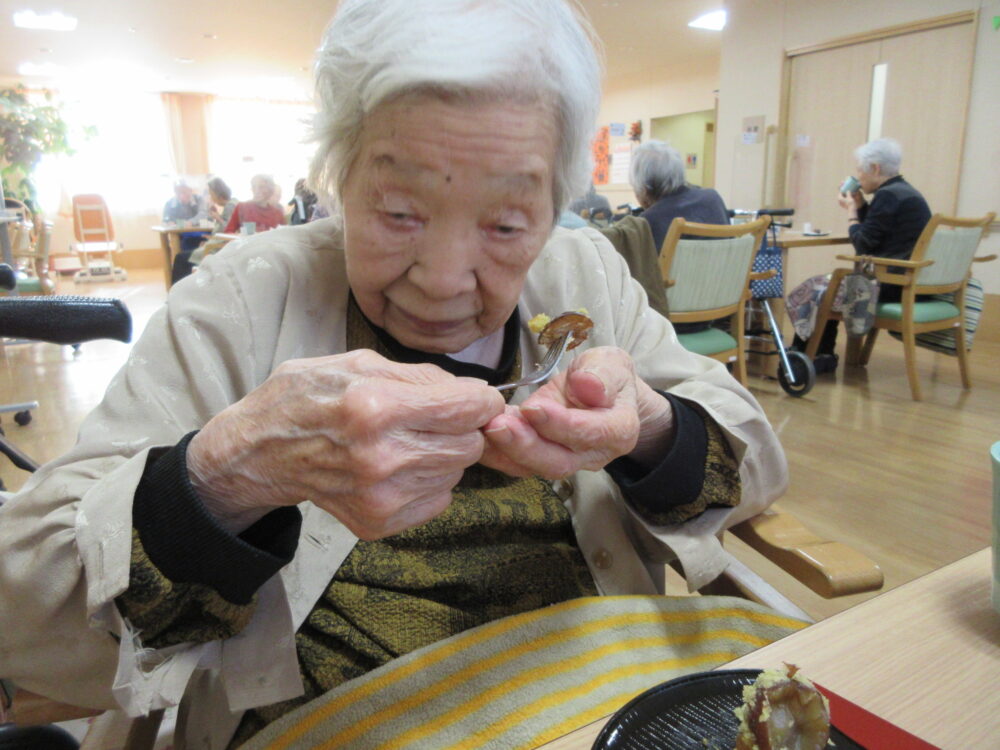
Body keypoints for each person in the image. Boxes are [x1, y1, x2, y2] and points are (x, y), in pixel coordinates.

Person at [0, 2, 788, 748]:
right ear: (337, 179)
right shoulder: (239, 301)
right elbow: (20, 610)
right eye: (398, 212)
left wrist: (648, 427)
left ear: (556, 209)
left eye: (508, 224)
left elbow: (754, 457)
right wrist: (227, 476)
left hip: (600, 698)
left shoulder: (585, 276)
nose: (444, 279)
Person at [788, 137, 931, 372]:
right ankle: (818, 354)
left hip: (892, 284)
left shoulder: (888, 196)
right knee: (826, 285)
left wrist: (852, 212)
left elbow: (864, 245)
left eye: (859, 170)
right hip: (908, 280)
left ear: (874, 167)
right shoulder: (902, 192)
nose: (858, 176)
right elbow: (877, 233)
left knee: (818, 288)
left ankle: (806, 356)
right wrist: (863, 206)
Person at [628, 140, 730, 253]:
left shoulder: (649, 221)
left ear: (644, 188)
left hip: (681, 271)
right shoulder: (713, 199)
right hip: (726, 270)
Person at [163, 180, 210, 283]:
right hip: (182, 234)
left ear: (190, 190)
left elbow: (203, 213)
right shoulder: (171, 203)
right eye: (179, 192)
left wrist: (191, 222)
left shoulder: (199, 199)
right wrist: (169, 222)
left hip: (201, 231)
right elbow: (166, 218)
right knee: (185, 245)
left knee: (193, 243)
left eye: (184, 191)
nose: (182, 194)